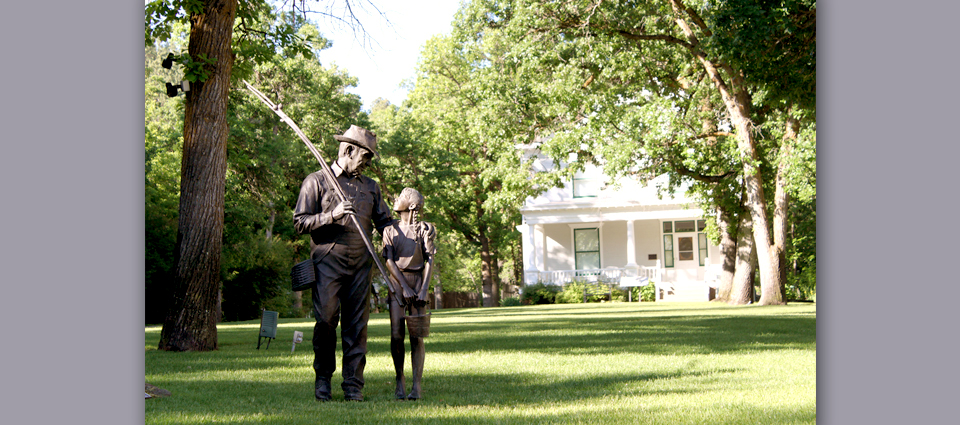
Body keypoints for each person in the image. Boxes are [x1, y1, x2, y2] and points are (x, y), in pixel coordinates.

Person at [293, 125, 395, 402]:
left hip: (361, 264)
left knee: (357, 326)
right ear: (348, 150)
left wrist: (401, 230)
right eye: (366, 156)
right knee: (326, 321)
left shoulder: (370, 188)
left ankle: (353, 385)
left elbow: (385, 222)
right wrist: (331, 215)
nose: (368, 163)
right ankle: (323, 380)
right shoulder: (316, 181)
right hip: (327, 261)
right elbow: (300, 222)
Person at [382, 188, 436, 400]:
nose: (397, 199)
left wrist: (423, 289)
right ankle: (399, 379)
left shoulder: (424, 230)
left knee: (417, 336)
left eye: (402, 197)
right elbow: (388, 260)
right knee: (396, 335)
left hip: (418, 282)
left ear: (411, 206)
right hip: (397, 285)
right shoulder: (390, 230)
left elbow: (430, 259)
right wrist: (403, 286)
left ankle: (416, 385)